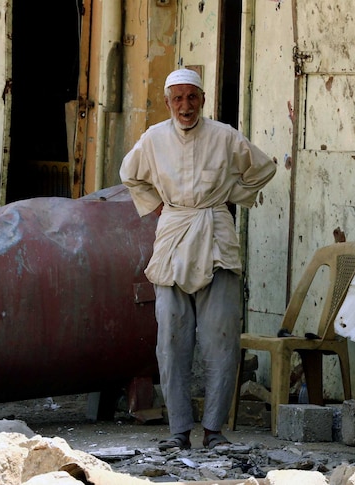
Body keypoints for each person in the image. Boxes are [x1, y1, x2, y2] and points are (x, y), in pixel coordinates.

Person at [119, 68, 277, 450]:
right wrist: (158, 206)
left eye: (192, 98)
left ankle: (214, 431)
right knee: (171, 341)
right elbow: (130, 174)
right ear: (168, 101)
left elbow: (265, 167)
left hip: (216, 237)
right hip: (173, 238)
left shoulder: (224, 136)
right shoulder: (153, 138)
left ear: (202, 100)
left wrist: (232, 193)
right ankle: (178, 432)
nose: (185, 106)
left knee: (220, 340)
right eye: (177, 98)